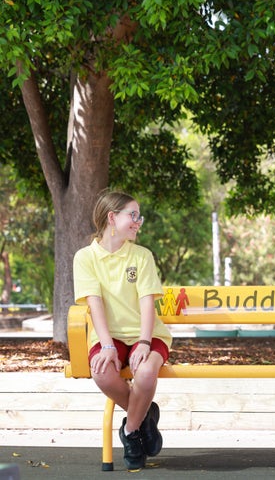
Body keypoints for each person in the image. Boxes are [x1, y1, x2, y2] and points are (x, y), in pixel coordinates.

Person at [73, 190, 171, 470]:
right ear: (112, 218)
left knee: (147, 373)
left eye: (139, 216)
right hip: (110, 337)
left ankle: (130, 432)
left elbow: (147, 303)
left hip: (147, 334)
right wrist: (106, 346)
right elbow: (95, 305)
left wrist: (143, 342)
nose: (139, 221)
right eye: (133, 215)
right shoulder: (84, 258)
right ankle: (145, 416)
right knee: (102, 373)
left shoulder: (142, 256)